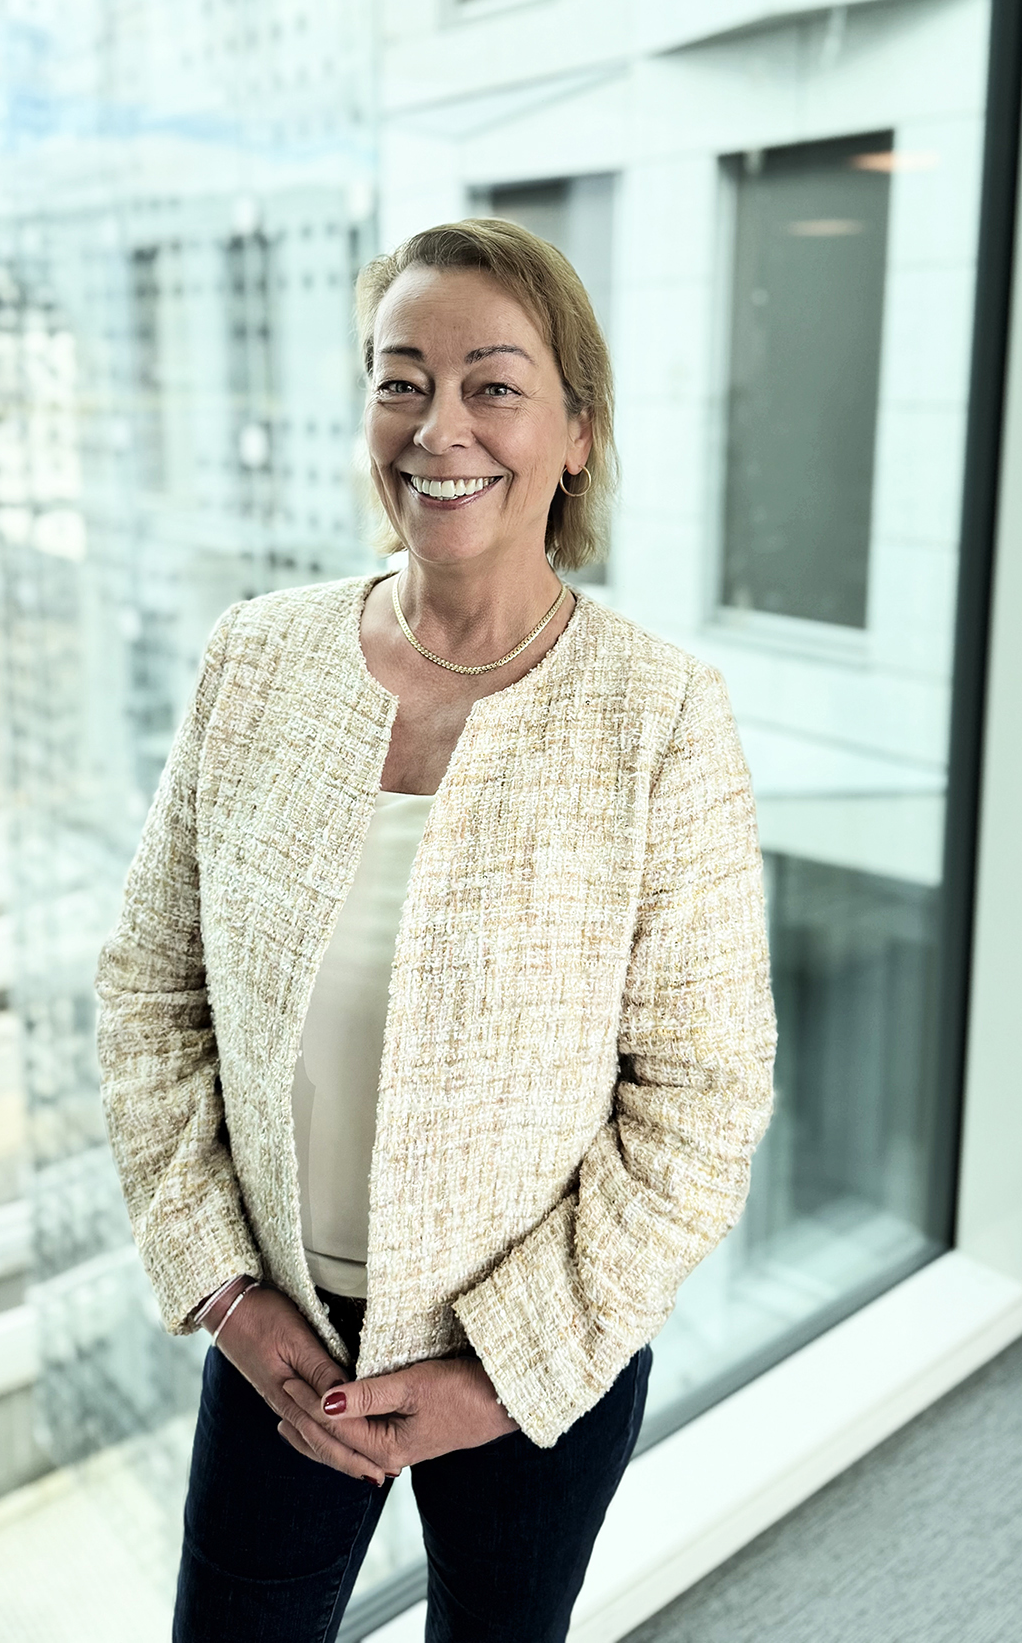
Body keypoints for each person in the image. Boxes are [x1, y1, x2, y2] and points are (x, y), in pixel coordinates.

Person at [95, 217, 777, 1643]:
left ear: (578, 432)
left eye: (493, 384)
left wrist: (500, 1372)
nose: (437, 426)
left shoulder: (659, 716)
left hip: (533, 1361)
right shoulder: (257, 658)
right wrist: (223, 1288)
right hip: (281, 1334)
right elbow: (152, 987)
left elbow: (702, 1099)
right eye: (399, 380)